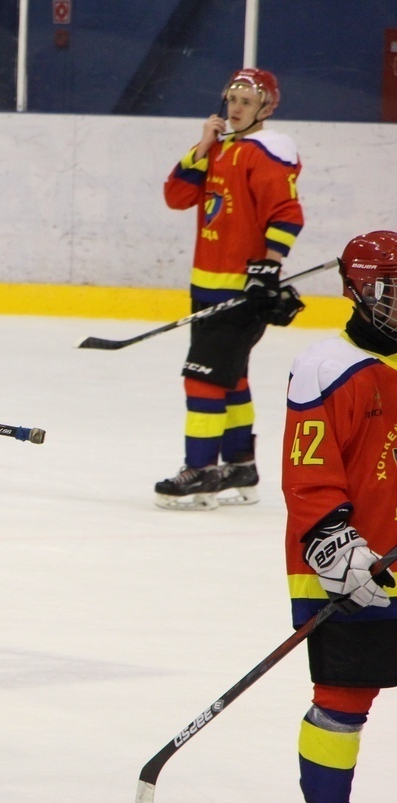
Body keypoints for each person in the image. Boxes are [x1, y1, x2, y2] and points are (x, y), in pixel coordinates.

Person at [282, 231, 397, 803]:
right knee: (344, 696)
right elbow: (308, 474)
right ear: (357, 290)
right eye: (390, 290)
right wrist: (336, 546)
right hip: (355, 564)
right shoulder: (327, 367)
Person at [157, 67, 306, 510]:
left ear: (266, 107)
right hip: (206, 284)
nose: (236, 107)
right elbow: (176, 197)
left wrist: (268, 268)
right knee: (230, 377)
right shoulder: (219, 150)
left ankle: (201, 471)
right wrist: (202, 147)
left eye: (246, 100)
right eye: (233, 99)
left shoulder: (266, 153)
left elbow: (287, 214)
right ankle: (240, 466)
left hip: (240, 293)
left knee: (202, 379)